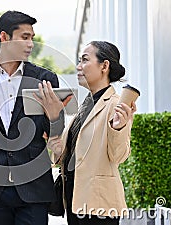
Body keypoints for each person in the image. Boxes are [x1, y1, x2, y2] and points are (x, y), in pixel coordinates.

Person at [0, 10, 71, 225]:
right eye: (24, 37)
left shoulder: (44, 79)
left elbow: (53, 131)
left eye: (32, 38)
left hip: (34, 187)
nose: (31, 44)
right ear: (4, 37)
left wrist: (55, 116)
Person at [47, 41, 137, 225]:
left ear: (104, 66)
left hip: (99, 205)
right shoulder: (85, 106)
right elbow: (69, 156)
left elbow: (118, 155)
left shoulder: (115, 105)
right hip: (74, 200)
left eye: (85, 60)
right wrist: (55, 143)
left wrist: (118, 128)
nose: (78, 67)